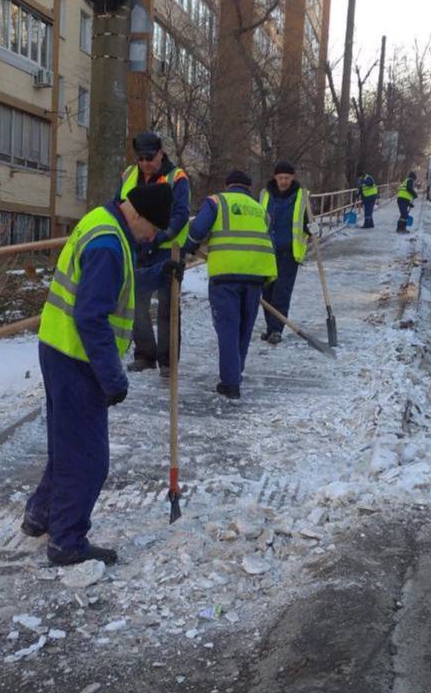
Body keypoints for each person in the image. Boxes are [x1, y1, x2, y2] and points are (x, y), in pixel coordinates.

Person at [22, 183, 184, 566]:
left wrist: (158, 274)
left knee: (67, 445)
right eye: (152, 229)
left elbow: (116, 285)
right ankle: (66, 540)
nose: (152, 238)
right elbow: (91, 317)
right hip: (78, 359)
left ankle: (41, 515)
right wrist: (113, 378)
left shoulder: (103, 223)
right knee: (88, 459)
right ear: (138, 215)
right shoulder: (110, 244)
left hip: (59, 348)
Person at [181, 171, 276, 399]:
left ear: (227, 185)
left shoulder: (216, 202)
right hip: (255, 276)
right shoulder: (260, 210)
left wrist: (188, 247)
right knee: (244, 327)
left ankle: (231, 383)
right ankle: (236, 371)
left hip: (226, 276)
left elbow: (197, 230)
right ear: (248, 189)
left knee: (228, 328)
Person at [118, 131, 191, 378]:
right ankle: (145, 355)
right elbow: (120, 205)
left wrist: (158, 238)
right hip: (139, 247)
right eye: (140, 158)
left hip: (168, 249)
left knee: (167, 306)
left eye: (149, 158)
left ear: (161, 153)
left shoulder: (176, 177)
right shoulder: (129, 175)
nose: (145, 163)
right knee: (137, 300)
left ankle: (168, 361)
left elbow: (180, 214)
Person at [259, 161, 317, 344]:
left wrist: (312, 228)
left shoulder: (302, 197)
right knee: (267, 292)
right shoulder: (265, 195)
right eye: (280, 177)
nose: (283, 181)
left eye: (287, 178)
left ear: (293, 178)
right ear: (275, 177)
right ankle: (270, 328)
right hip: (267, 251)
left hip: (289, 253)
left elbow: (308, 222)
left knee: (281, 292)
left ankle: (277, 329)